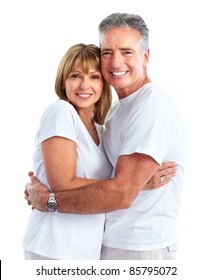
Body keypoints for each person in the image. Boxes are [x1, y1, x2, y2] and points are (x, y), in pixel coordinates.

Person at [25, 12, 185, 260]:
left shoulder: (151, 108)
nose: (115, 61)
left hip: (139, 245)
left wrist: (49, 201)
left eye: (126, 51)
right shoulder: (110, 113)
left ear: (146, 56)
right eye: (107, 52)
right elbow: (108, 184)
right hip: (77, 246)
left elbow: (122, 192)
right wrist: (134, 184)